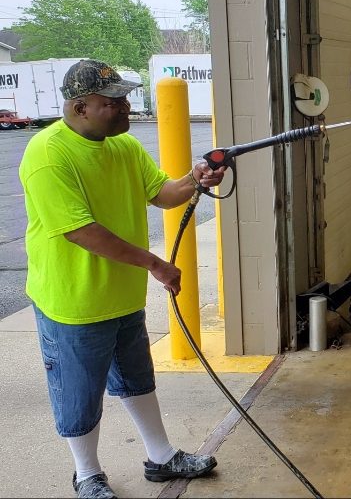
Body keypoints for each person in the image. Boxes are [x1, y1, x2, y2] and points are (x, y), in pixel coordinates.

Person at [18, 59, 227, 499]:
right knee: (79, 394)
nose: (126, 107)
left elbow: (164, 194)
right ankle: (87, 473)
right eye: (113, 101)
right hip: (73, 303)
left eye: (125, 97)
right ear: (79, 107)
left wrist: (195, 178)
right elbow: (82, 232)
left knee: (136, 378)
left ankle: (161, 457)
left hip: (122, 297)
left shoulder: (124, 148)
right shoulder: (47, 154)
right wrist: (155, 264)